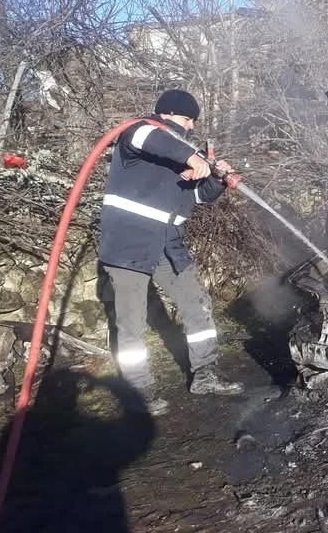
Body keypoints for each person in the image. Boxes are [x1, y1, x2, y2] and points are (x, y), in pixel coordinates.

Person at [98, 89, 244, 417]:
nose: (190, 127)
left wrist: (217, 179)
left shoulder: (178, 156)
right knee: (131, 321)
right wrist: (192, 157)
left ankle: (205, 373)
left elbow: (198, 197)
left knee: (197, 302)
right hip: (129, 244)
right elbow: (150, 135)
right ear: (166, 114)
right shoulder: (141, 133)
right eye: (186, 118)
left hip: (168, 246)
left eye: (194, 121)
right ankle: (138, 391)